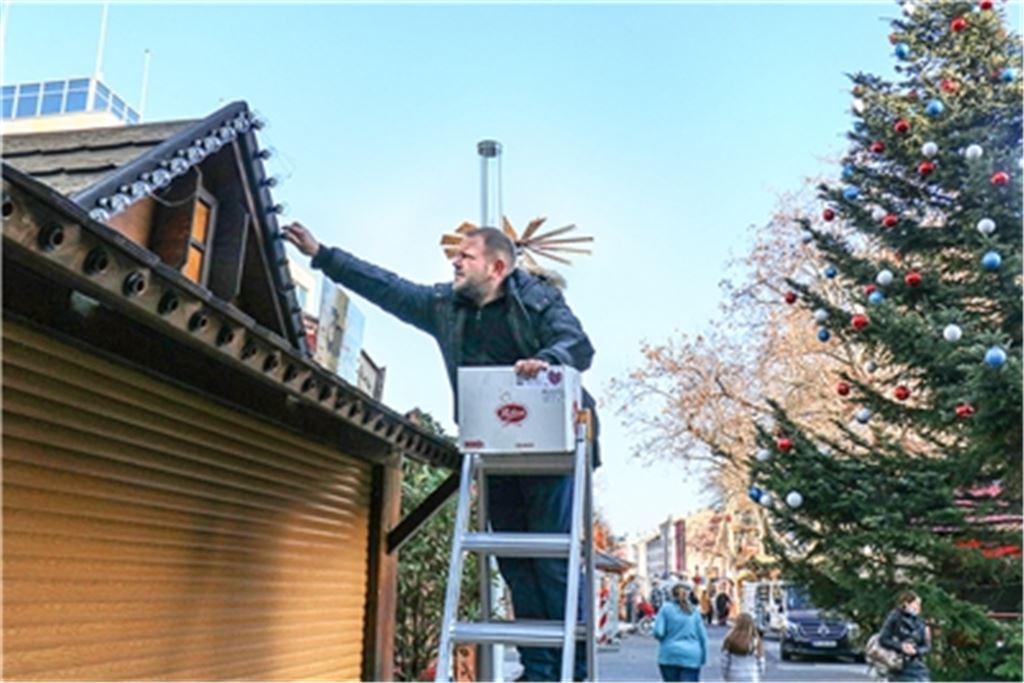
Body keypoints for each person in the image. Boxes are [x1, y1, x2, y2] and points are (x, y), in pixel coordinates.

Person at [283, 222, 596, 682]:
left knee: (551, 563)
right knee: (514, 564)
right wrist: (323, 255)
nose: (455, 261)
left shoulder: (538, 300)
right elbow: (388, 288)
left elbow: (578, 344)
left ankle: (577, 668)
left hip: (552, 446)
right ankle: (541, 670)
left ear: (497, 266)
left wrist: (548, 360)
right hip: (497, 449)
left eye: (466, 256)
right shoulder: (444, 307)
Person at [653, 583, 708, 682]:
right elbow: (702, 637)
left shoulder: (665, 609)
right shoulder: (694, 611)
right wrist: (703, 657)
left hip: (669, 655)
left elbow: (658, 632)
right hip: (691, 656)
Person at [879, 591, 931, 682]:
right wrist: (901, 646)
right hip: (898, 666)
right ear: (906, 604)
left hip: (918, 667)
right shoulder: (895, 617)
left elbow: (927, 646)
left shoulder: (921, 622)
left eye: (919, 604)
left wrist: (916, 651)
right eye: (916, 604)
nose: (919, 607)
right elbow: (883, 639)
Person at [720, 612, 766, 682]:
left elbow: (724, 662)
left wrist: (726, 676)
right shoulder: (755, 640)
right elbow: (761, 663)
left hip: (733, 676)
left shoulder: (730, 639)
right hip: (751, 677)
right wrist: (757, 674)